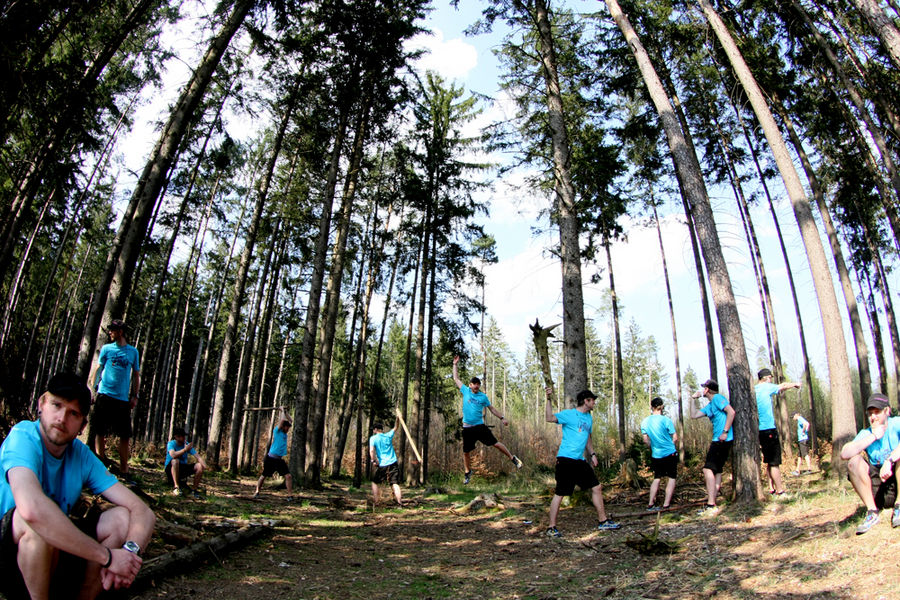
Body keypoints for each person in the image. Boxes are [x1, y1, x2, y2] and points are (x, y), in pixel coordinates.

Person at [0, 372, 155, 599]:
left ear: (82, 425)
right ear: (42, 404)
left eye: (73, 413)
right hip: (9, 554)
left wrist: (128, 556)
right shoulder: (23, 436)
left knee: (121, 518)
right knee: (35, 521)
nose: (62, 418)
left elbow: (142, 511)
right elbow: (32, 510)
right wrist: (108, 557)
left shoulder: (81, 455)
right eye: (57, 405)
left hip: (54, 554)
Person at [544, 386, 619, 537]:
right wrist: (548, 399)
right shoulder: (569, 414)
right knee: (560, 493)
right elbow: (549, 418)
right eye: (593, 401)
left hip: (580, 461)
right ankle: (551, 527)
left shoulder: (588, 418)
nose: (594, 404)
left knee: (596, 487)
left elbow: (587, 437)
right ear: (586, 401)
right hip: (565, 460)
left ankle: (603, 521)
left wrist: (593, 454)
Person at [452, 355, 523, 485]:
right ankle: (468, 473)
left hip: (479, 427)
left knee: (495, 443)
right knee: (466, 452)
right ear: (470, 385)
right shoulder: (465, 391)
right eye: (474, 385)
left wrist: (502, 418)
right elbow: (456, 378)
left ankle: (513, 458)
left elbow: (492, 409)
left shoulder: (483, 397)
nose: (476, 387)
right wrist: (455, 365)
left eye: (478, 385)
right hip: (467, 428)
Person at [840, 393, 900, 534]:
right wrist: (873, 436)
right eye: (870, 413)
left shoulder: (895, 423)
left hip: (896, 481)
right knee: (854, 461)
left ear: (887, 411)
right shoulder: (866, 433)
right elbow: (845, 453)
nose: (873, 417)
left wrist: (889, 460)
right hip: (877, 488)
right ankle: (872, 512)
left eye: (877, 412)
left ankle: (899, 506)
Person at [88, 319, 141, 480]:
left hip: (122, 400)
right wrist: (93, 388)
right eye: (109, 330)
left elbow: (136, 376)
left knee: (124, 435)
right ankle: (101, 467)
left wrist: (134, 396)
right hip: (104, 395)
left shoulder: (133, 352)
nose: (109, 332)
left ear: (121, 332)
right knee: (100, 431)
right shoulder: (106, 349)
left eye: (112, 330)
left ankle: (124, 470)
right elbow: (98, 369)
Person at [689, 379, 735, 514]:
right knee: (717, 471)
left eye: (704, 388)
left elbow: (731, 412)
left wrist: (725, 432)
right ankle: (713, 502)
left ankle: (710, 505)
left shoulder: (718, 398)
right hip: (718, 440)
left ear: (707, 389)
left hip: (721, 440)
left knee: (707, 469)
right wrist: (693, 399)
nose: (702, 390)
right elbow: (694, 415)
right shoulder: (710, 405)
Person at [755, 368, 801, 496]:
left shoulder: (754, 389)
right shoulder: (765, 387)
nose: (770, 380)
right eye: (770, 378)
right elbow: (783, 386)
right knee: (774, 462)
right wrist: (795, 384)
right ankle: (780, 491)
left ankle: (771, 489)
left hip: (760, 431)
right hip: (768, 429)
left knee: (769, 461)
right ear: (765, 378)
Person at [640, 397, 678, 510]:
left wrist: (653, 446)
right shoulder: (666, 420)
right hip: (670, 452)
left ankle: (651, 504)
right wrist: (670, 444)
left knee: (657, 478)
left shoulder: (645, 422)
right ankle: (666, 504)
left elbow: (645, 440)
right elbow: (675, 437)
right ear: (661, 407)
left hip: (656, 454)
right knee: (671, 478)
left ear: (652, 407)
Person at [253, 408, 293, 500]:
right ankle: (257, 491)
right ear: (283, 426)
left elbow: (290, 420)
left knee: (288, 476)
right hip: (271, 458)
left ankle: (290, 495)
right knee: (264, 475)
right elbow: (282, 420)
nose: (288, 429)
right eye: (287, 427)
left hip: (279, 460)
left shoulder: (284, 434)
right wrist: (282, 410)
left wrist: (286, 412)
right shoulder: (277, 431)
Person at [164, 427, 207, 498]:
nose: (184, 438)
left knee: (199, 466)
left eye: (184, 436)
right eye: (182, 436)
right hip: (170, 468)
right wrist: (184, 450)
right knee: (175, 461)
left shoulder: (186, 444)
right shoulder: (171, 444)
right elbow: (173, 455)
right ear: (176, 437)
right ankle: (176, 487)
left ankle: (194, 490)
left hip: (183, 468)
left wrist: (204, 466)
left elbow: (198, 457)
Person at [369, 421, 403, 507]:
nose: (373, 431)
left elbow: (372, 451)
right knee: (394, 483)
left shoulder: (373, 438)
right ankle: (399, 503)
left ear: (376, 430)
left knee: (375, 482)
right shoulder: (388, 435)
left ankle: (376, 502)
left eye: (373, 429)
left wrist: (373, 460)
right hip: (393, 462)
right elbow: (396, 427)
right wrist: (397, 418)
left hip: (383, 464)